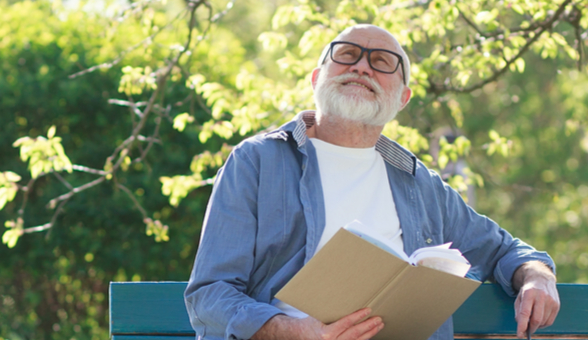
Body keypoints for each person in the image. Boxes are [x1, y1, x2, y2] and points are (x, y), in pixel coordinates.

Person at [183, 24, 560, 340]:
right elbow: (210, 294)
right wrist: (298, 331)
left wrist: (537, 278)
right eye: (347, 55)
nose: (362, 67)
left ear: (402, 99)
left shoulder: (421, 185)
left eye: (382, 62)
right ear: (317, 79)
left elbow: (507, 250)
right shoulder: (257, 161)